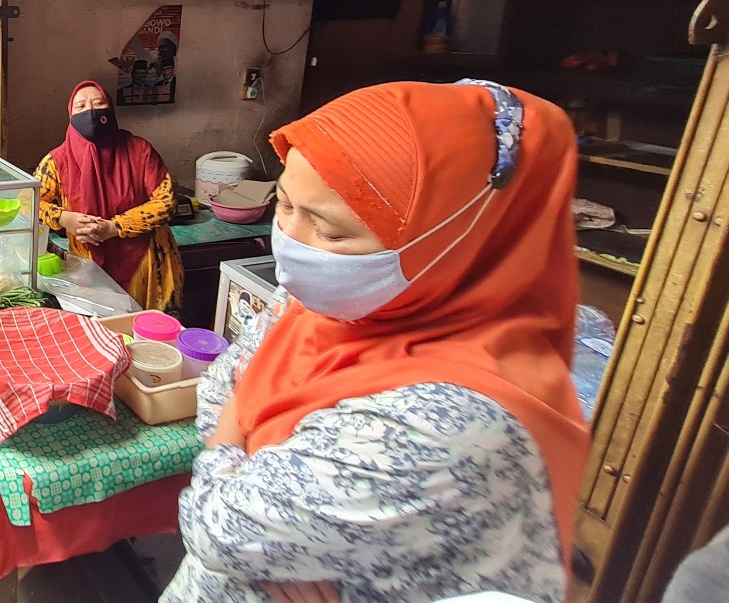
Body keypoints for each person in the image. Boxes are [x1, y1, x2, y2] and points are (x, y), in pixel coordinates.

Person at [160, 80, 590, 603]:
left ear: (454, 238)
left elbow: (219, 530)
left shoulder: (447, 423)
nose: (291, 242)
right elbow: (218, 388)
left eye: (331, 231)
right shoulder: (332, 302)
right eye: (286, 205)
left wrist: (234, 455)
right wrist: (248, 487)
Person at [35, 81, 183, 311]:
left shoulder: (140, 151)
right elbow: (28, 201)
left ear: (111, 110)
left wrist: (115, 227)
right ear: (70, 115)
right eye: (81, 106)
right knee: (100, 325)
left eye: (98, 103)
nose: (90, 112)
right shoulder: (57, 161)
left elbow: (166, 202)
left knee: (147, 326)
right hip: (88, 264)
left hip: (148, 261)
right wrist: (64, 218)